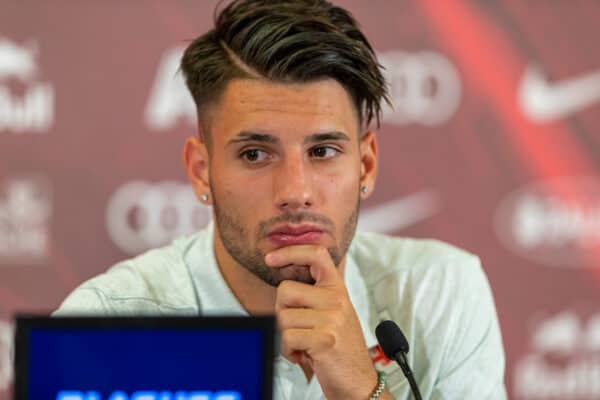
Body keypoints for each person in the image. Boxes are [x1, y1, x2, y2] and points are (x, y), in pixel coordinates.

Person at [54, 0, 507, 398]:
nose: (295, 192)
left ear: (365, 165)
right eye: (255, 154)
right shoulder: (107, 325)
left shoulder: (439, 290)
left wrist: (362, 390)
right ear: (201, 171)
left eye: (323, 151)